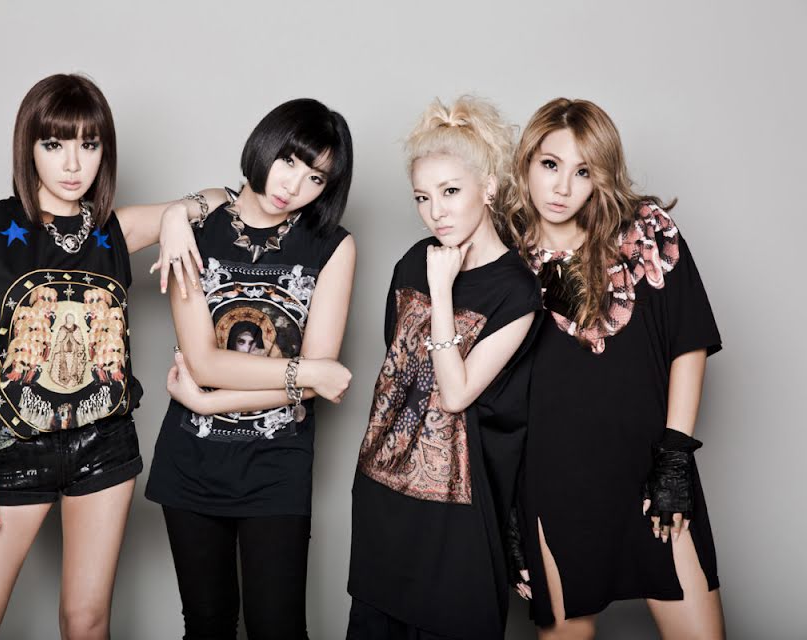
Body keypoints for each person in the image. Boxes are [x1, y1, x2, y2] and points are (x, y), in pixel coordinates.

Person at [0, 73, 227, 639]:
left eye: (88, 145)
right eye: (54, 144)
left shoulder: (114, 229)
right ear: (29, 147)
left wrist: (175, 216)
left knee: (87, 621)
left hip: (104, 444)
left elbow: (224, 198)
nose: (73, 164)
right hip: (10, 448)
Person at [503, 98, 725, 639]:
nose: (562, 187)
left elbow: (688, 343)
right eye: (550, 164)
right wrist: (503, 500)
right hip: (553, 483)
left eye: (583, 172)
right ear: (527, 161)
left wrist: (675, 457)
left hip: (649, 473)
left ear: (601, 177)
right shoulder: (504, 256)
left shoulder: (646, 232)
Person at [145, 98, 356, 639]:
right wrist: (305, 374)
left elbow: (317, 379)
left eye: (316, 178)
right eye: (289, 161)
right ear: (265, 144)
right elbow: (204, 361)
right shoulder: (195, 230)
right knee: (207, 625)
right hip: (191, 461)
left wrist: (209, 400)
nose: (294, 185)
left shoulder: (333, 246)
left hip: (278, 464)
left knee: (278, 628)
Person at [346, 96, 542, 639]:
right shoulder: (412, 261)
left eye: (450, 191)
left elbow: (454, 393)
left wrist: (440, 290)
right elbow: (400, 378)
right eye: (422, 197)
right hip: (384, 492)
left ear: (490, 187)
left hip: (460, 513)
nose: (436, 212)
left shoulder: (516, 289)